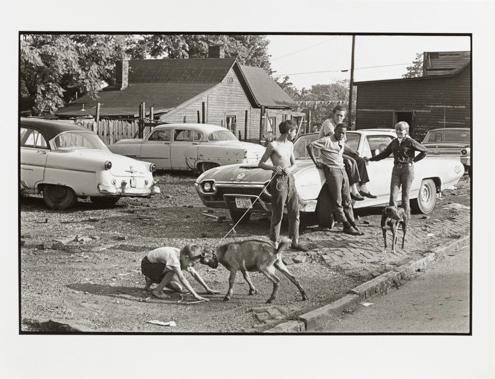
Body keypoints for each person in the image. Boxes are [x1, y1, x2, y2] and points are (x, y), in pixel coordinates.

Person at [258, 119, 307, 251]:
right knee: (278, 212)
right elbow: (261, 163)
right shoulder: (273, 145)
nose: (295, 133)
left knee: (294, 211)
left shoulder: (290, 145)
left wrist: (289, 170)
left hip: (290, 178)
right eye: (294, 131)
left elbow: (294, 164)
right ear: (289, 131)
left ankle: (294, 241)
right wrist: (273, 168)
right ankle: (274, 243)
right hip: (279, 181)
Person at [307, 123, 363, 236]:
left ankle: (352, 223)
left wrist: (353, 152)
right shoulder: (326, 140)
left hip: (342, 170)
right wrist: (316, 161)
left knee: (347, 199)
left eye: (344, 133)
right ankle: (346, 226)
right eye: (339, 132)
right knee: (338, 200)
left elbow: (344, 147)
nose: (342, 135)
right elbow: (310, 146)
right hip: (332, 171)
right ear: (335, 131)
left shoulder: (341, 140)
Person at [365, 121, 427, 218]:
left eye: (401, 130)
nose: (398, 132)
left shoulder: (410, 142)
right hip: (396, 169)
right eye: (397, 130)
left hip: (407, 169)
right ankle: (392, 218)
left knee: (405, 196)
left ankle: (405, 218)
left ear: (406, 131)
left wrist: (413, 161)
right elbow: (384, 154)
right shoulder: (394, 142)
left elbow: (424, 151)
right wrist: (370, 159)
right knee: (393, 195)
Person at [319, 105, 376, 200]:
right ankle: (353, 190)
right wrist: (351, 152)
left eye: (341, 116)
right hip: (329, 154)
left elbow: (343, 144)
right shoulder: (328, 123)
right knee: (351, 162)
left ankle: (363, 187)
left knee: (360, 160)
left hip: (338, 152)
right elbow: (336, 140)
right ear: (333, 114)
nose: (339, 118)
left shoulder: (341, 126)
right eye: (337, 115)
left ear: (344, 116)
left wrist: (353, 152)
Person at [141, 244, 219, 301]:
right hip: (147, 265)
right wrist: (195, 295)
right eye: (192, 263)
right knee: (172, 270)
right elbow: (182, 278)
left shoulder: (183, 255)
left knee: (178, 288)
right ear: (186, 257)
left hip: (157, 266)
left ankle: (151, 279)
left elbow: (194, 273)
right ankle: (157, 291)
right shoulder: (174, 259)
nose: (191, 265)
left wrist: (207, 288)